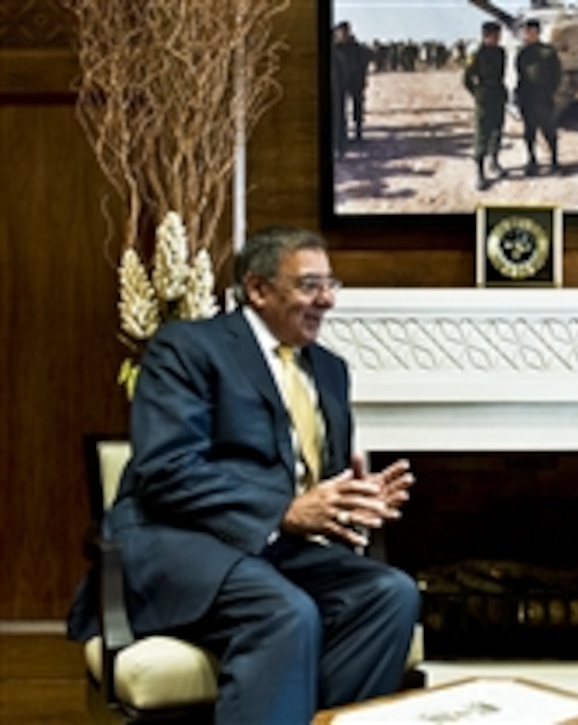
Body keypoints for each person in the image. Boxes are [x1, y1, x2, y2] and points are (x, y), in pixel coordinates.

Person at [67, 227, 420, 723]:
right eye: (310, 285)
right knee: (283, 611)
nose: (328, 300)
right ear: (257, 289)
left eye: (331, 284)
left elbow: (317, 483)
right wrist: (285, 511)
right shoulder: (187, 348)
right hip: (181, 544)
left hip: (277, 551)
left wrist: (357, 499)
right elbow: (166, 471)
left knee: (390, 594)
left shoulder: (330, 369)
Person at [463, 21, 508, 190]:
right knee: (482, 134)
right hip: (484, 98)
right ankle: (480, 173)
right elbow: (466, 79)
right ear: (486, 36)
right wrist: (477, 94)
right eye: (495, 36)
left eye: (499, 36)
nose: (498, 39)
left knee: (497, 131)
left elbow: (501, 74)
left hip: (498, 95)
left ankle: (494, 162)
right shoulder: (476, 54)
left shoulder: (501, 52)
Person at [515, 19, 562, 175]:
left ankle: (555, 162)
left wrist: (549, 92)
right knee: (529, 132)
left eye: (529, 31)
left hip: (543, 98)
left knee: (549, 131)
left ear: (536, 32)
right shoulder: (522, 53)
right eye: (525, 31)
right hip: (527, 98)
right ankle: (532, 161)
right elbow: (520, 75)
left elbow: (557, 75)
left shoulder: (548, 51)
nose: (526, 34)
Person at [331, 21, 372, 157]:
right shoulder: (335, 48)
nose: (342, 35)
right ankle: (341, 140)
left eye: (344, 32)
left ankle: (358, 132)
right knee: (339, 112)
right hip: (340, 84)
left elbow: (362, 64)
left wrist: (362, 79)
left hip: (355, 83)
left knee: (357, 108)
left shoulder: (356, 48)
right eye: (340, 32)